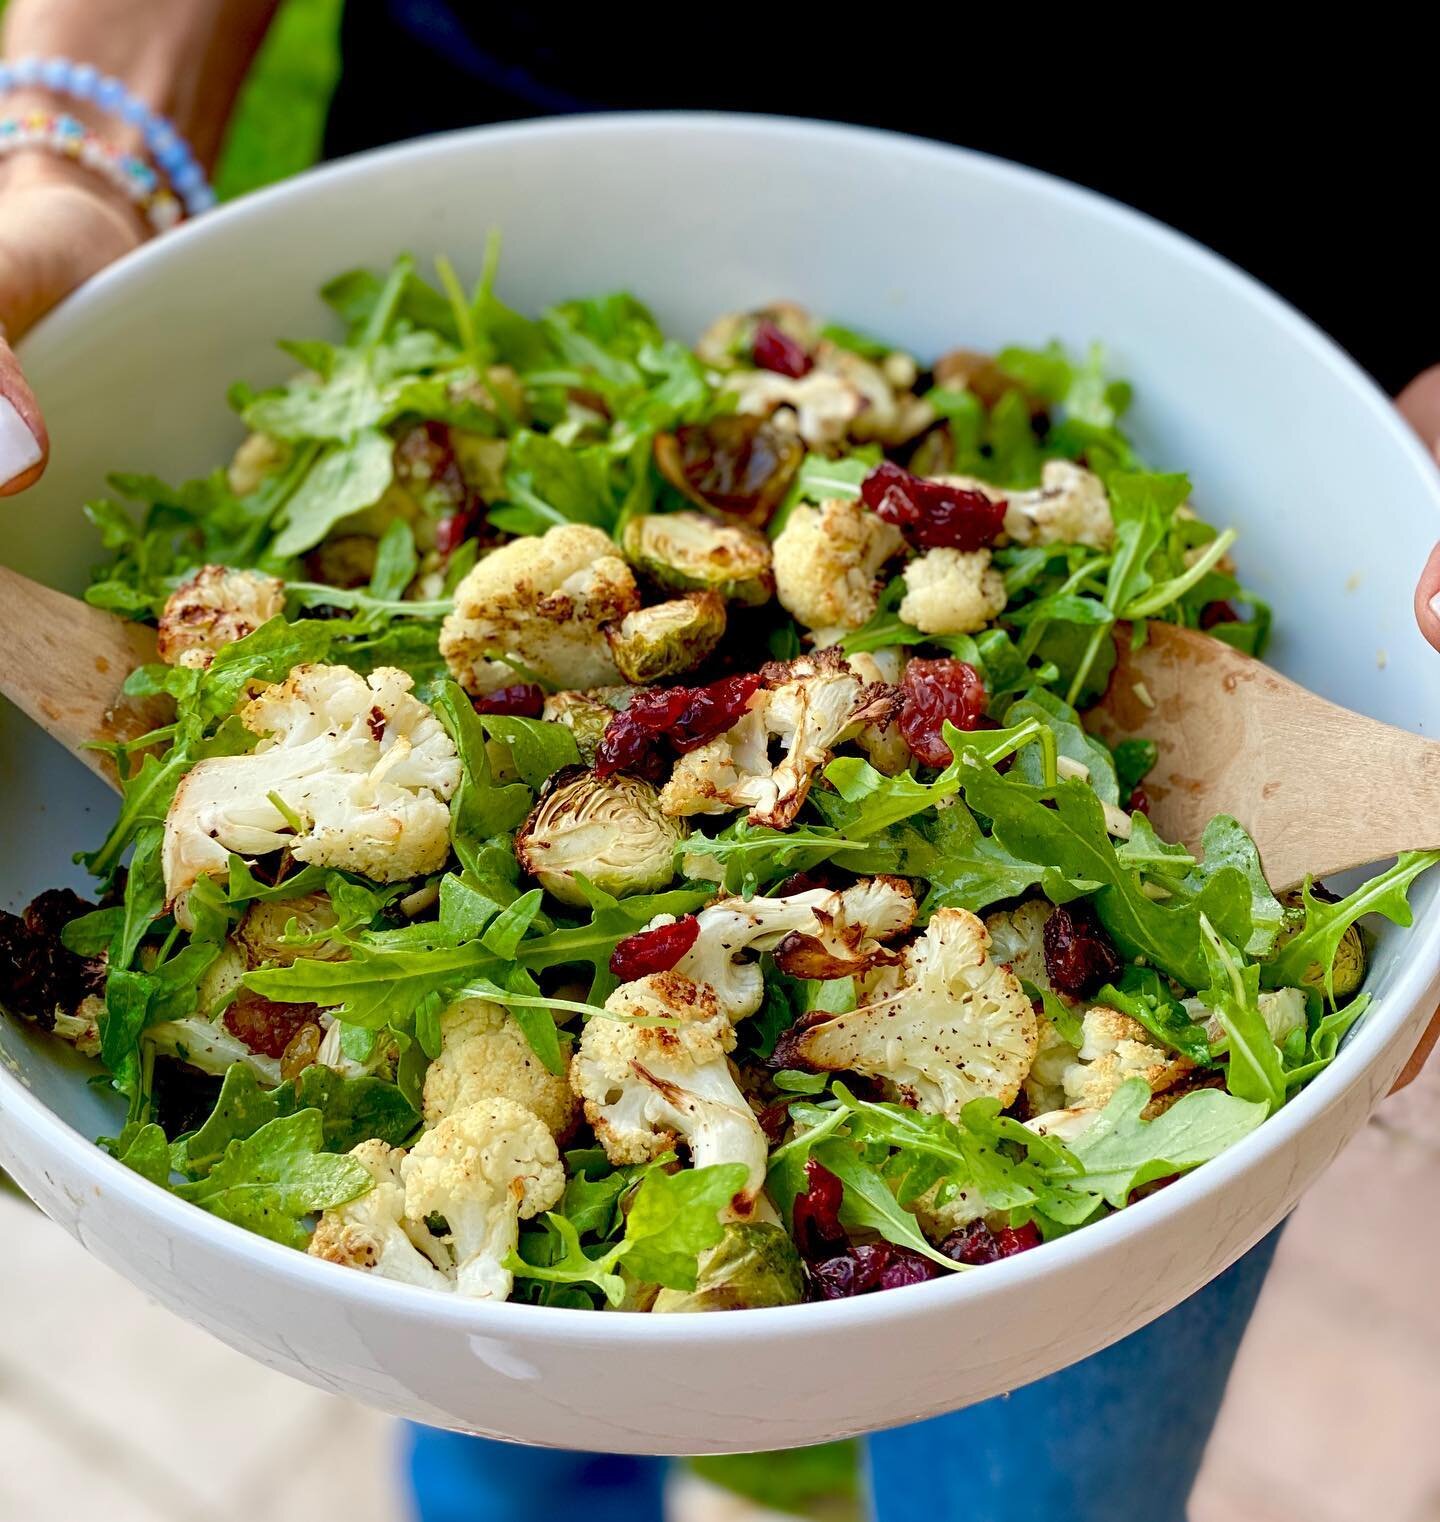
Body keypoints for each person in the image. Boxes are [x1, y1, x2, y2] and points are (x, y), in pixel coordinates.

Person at [1, 7, 1436, 1519]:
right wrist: (83, 156)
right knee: (495, 1422)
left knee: (1039, 1479)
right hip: (495, 93)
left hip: (1261, 252)